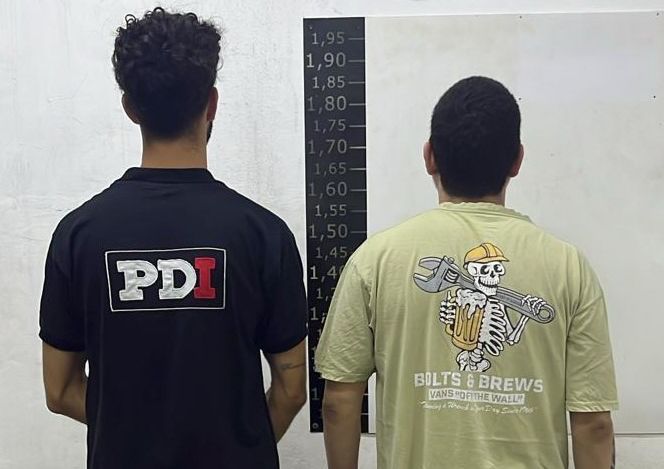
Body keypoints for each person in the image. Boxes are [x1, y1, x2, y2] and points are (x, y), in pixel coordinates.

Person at [39, 8, 307, 469]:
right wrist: (236, 442)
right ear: (212, 104)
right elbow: (292, 389)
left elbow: (60, 390)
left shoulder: (78, 235)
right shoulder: (263, 234)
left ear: (130, 107)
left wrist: (139, 431)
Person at [316, 76, 618, 469]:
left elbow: (339, 402)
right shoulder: (569, 267)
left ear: (430, 157)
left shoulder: (375, 260)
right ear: (517, 161)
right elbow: (594, 423)